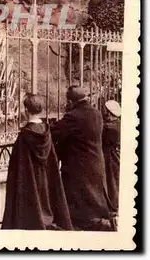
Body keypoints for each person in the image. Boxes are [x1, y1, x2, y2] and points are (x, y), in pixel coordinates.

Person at [1, 95, 73, 230]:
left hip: (29, 176)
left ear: (26, 110)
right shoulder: (47, 131)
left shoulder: (25, 134)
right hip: (44, 172)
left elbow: (19, 163)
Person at [51, 85, 114, 231]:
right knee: (93, 195)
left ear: (71, 101)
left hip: (78, 164)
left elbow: (56, 132)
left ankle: (92, 223)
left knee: (79, 195)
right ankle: (100, 220)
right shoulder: (97, 113)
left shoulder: (73, 116)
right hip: (96, 160)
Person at [102, 99, 121, 215]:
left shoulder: (109, 128)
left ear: (109, 113)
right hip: (115, 155)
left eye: (105, 112)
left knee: (111, 179)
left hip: (110, 157)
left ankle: (112, 206)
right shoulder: (119, 124)